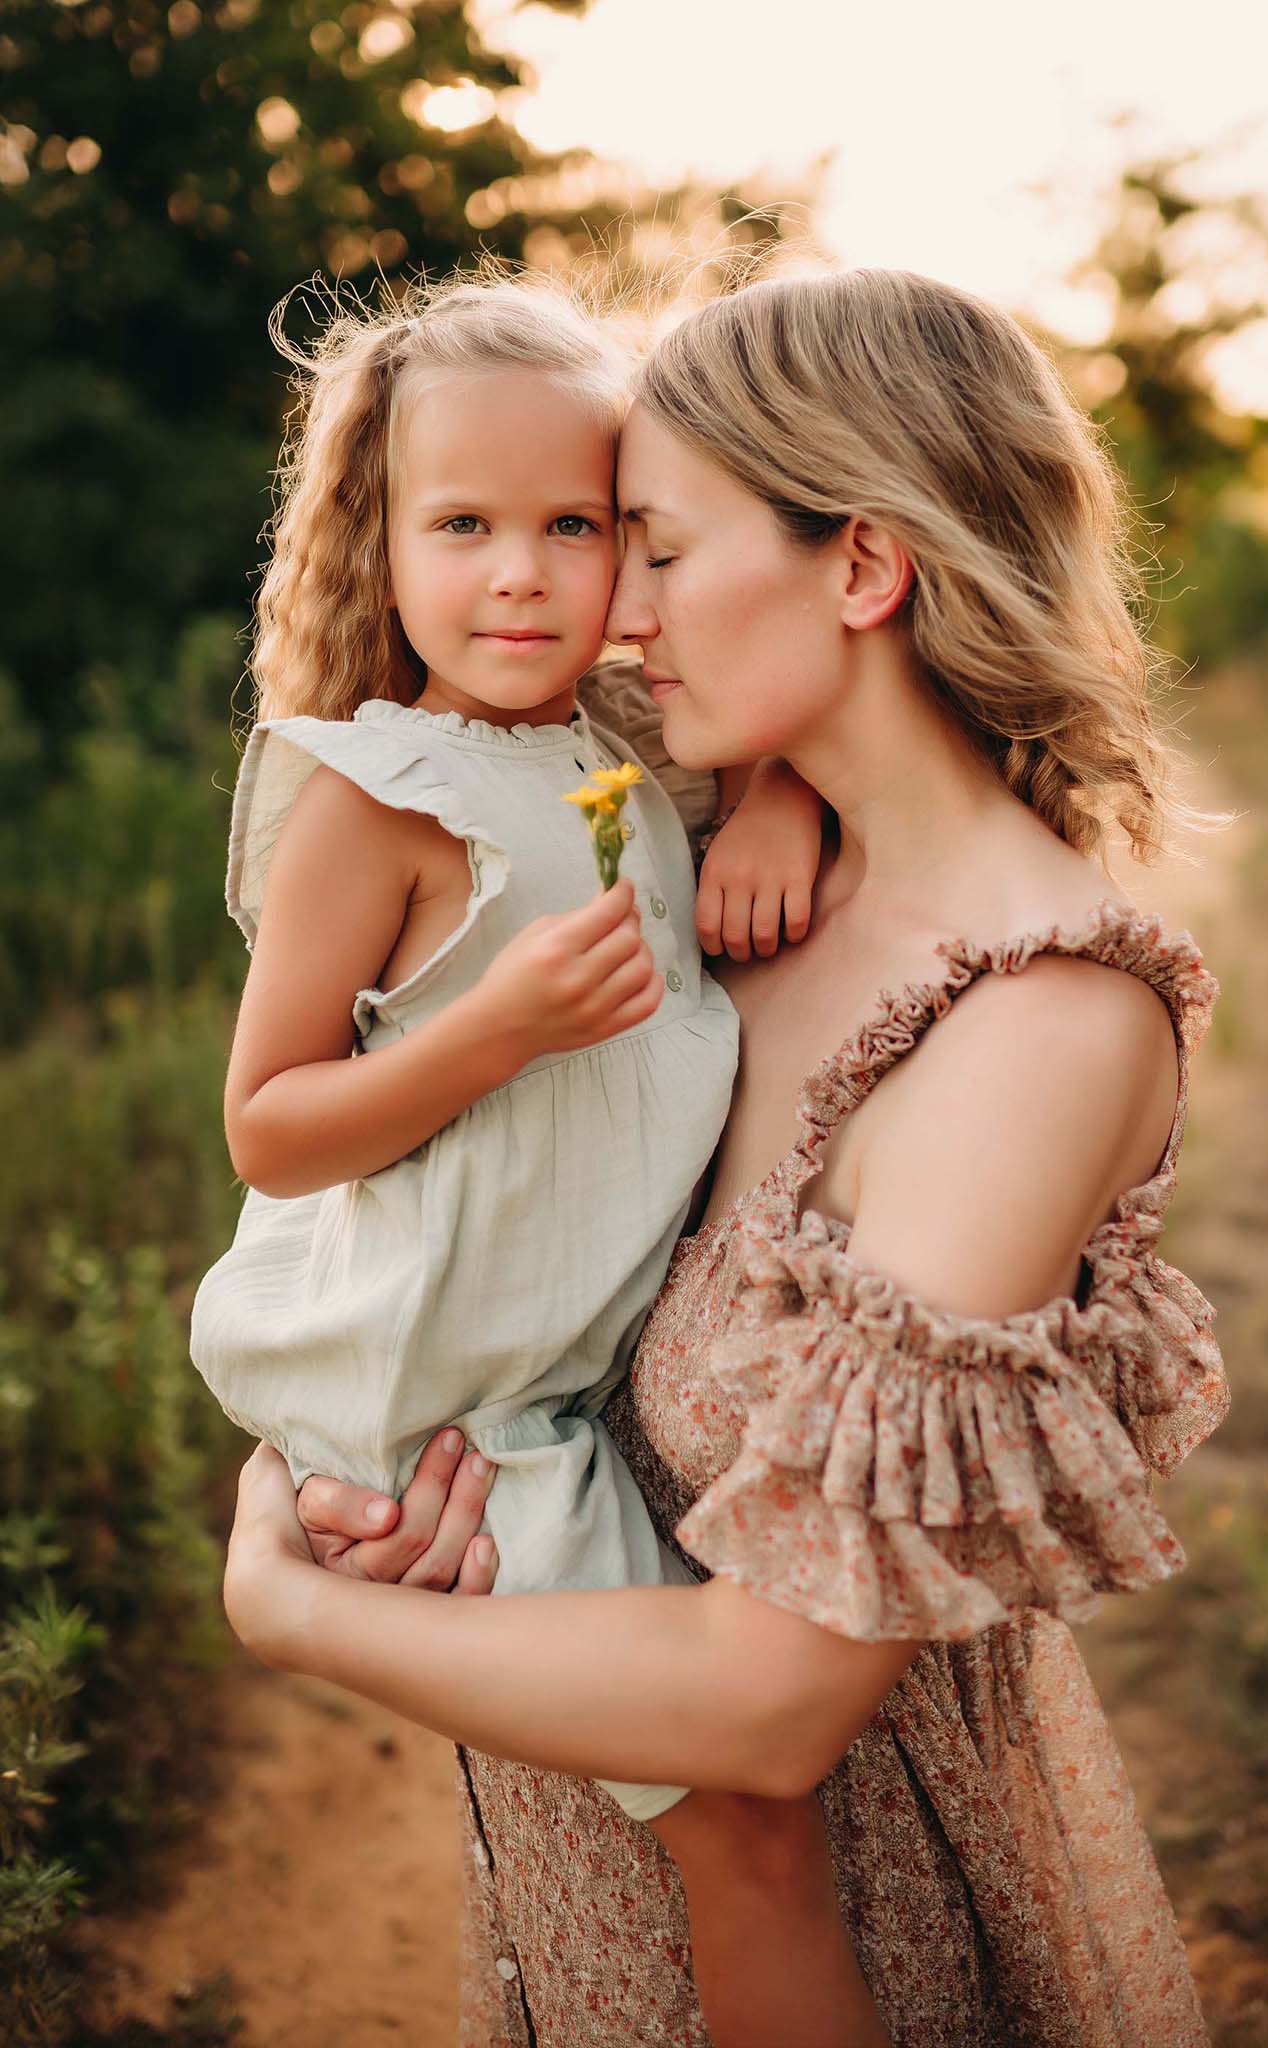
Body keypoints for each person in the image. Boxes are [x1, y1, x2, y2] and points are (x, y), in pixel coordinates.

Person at [223, 267, 1230, 2048]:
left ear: (860, 565)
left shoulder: (1037, 1023)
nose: (614, 616)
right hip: (586, 1864)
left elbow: (772, 1715)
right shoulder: (732, 896)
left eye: (652, 549)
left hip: (852, 1917)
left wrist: (293, 1611)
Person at [189, 271, 893, 2047]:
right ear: (383, 540)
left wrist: (793, 796)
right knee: (751, 1834)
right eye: (465, 524)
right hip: (459, 1419)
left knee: (707, 1830)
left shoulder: (620, 759)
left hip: (564, 1399)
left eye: (572, 523)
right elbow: (266, 1118)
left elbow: (763, 758)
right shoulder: (374, 791)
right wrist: (486, 1033)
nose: (519, 572)